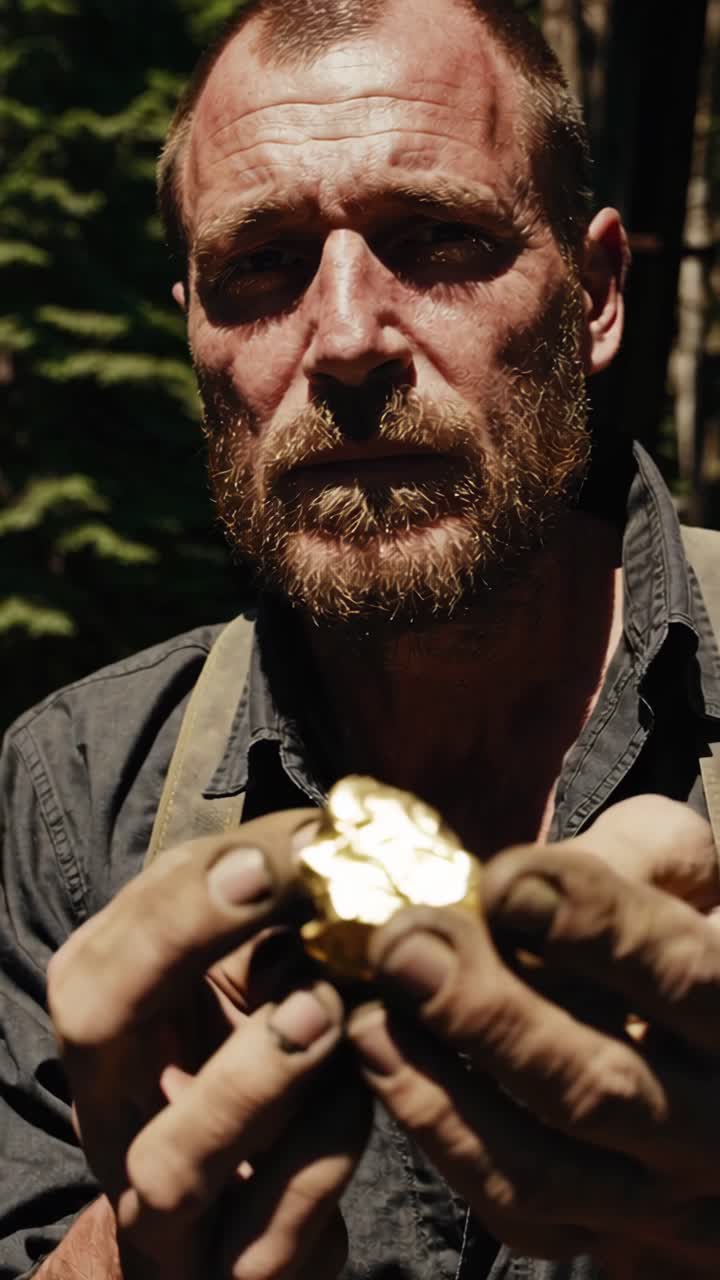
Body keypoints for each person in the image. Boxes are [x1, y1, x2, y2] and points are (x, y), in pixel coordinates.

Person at [3, 0, 720, 1276]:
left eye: (436, 238)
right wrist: (133, 1250)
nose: (343, 341)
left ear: (599, 295)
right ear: (193, 328)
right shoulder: (75, 793)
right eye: (262, 263)